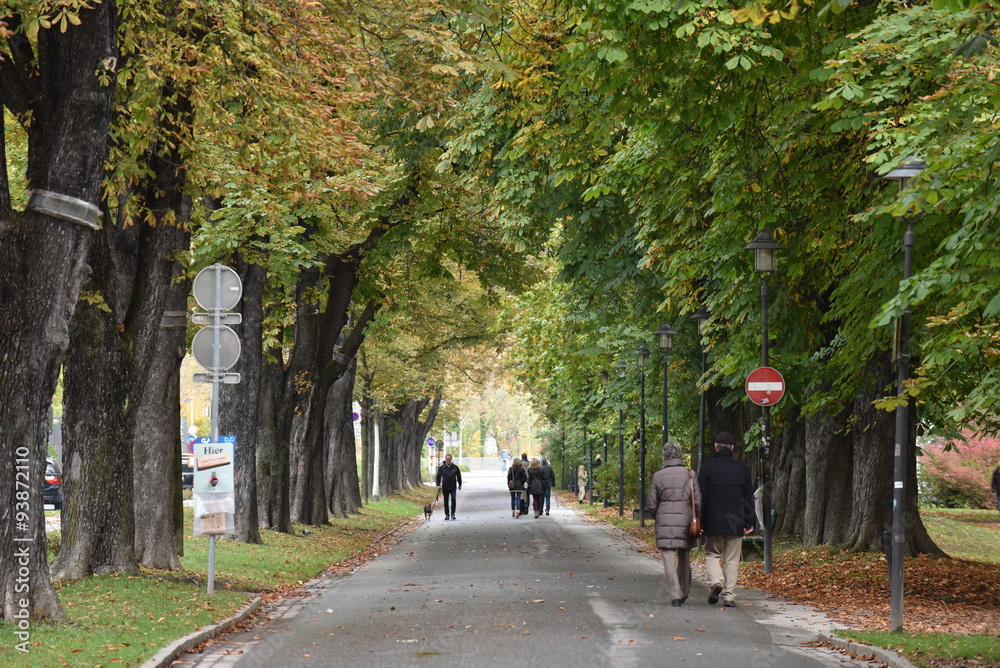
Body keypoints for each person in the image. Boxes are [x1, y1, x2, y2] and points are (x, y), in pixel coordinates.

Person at [698, 432, 755, 607]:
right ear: (732, 448)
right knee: (732, 559)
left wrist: (700, 520)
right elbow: (748, 497)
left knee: (712, 553)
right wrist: (749, 520)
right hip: (736, 520)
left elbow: (700, 497)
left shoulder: (707, 468)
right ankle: (729, 596)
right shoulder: (742, 468)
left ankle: (716, 581)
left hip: (713, 520)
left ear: (716, 447)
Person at [646, 442, 702, 607]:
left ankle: (675, 594)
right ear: (680, 455)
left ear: (665, 456)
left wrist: (659, 517)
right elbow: (697, 501)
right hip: (686, 520)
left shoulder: (658, 476)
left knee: (668, 558)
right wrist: (696, 517)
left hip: (664, 520)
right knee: (684, 556)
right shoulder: (690, 475)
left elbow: (651, 503)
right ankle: (684, 590)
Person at [435, 453, 462, 520]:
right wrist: (438, 485)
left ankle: (453, 513)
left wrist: (460, 484)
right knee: (446, 501)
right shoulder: (442, 468)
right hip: (445, 486)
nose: (448, 461)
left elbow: (459, 476)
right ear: (445, 459)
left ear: (451, 459)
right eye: (447, 459)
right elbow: (438, 477)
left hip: (453, 486)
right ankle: (447, 514)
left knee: (453, 499)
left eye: (449, 459)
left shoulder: (455, 467)